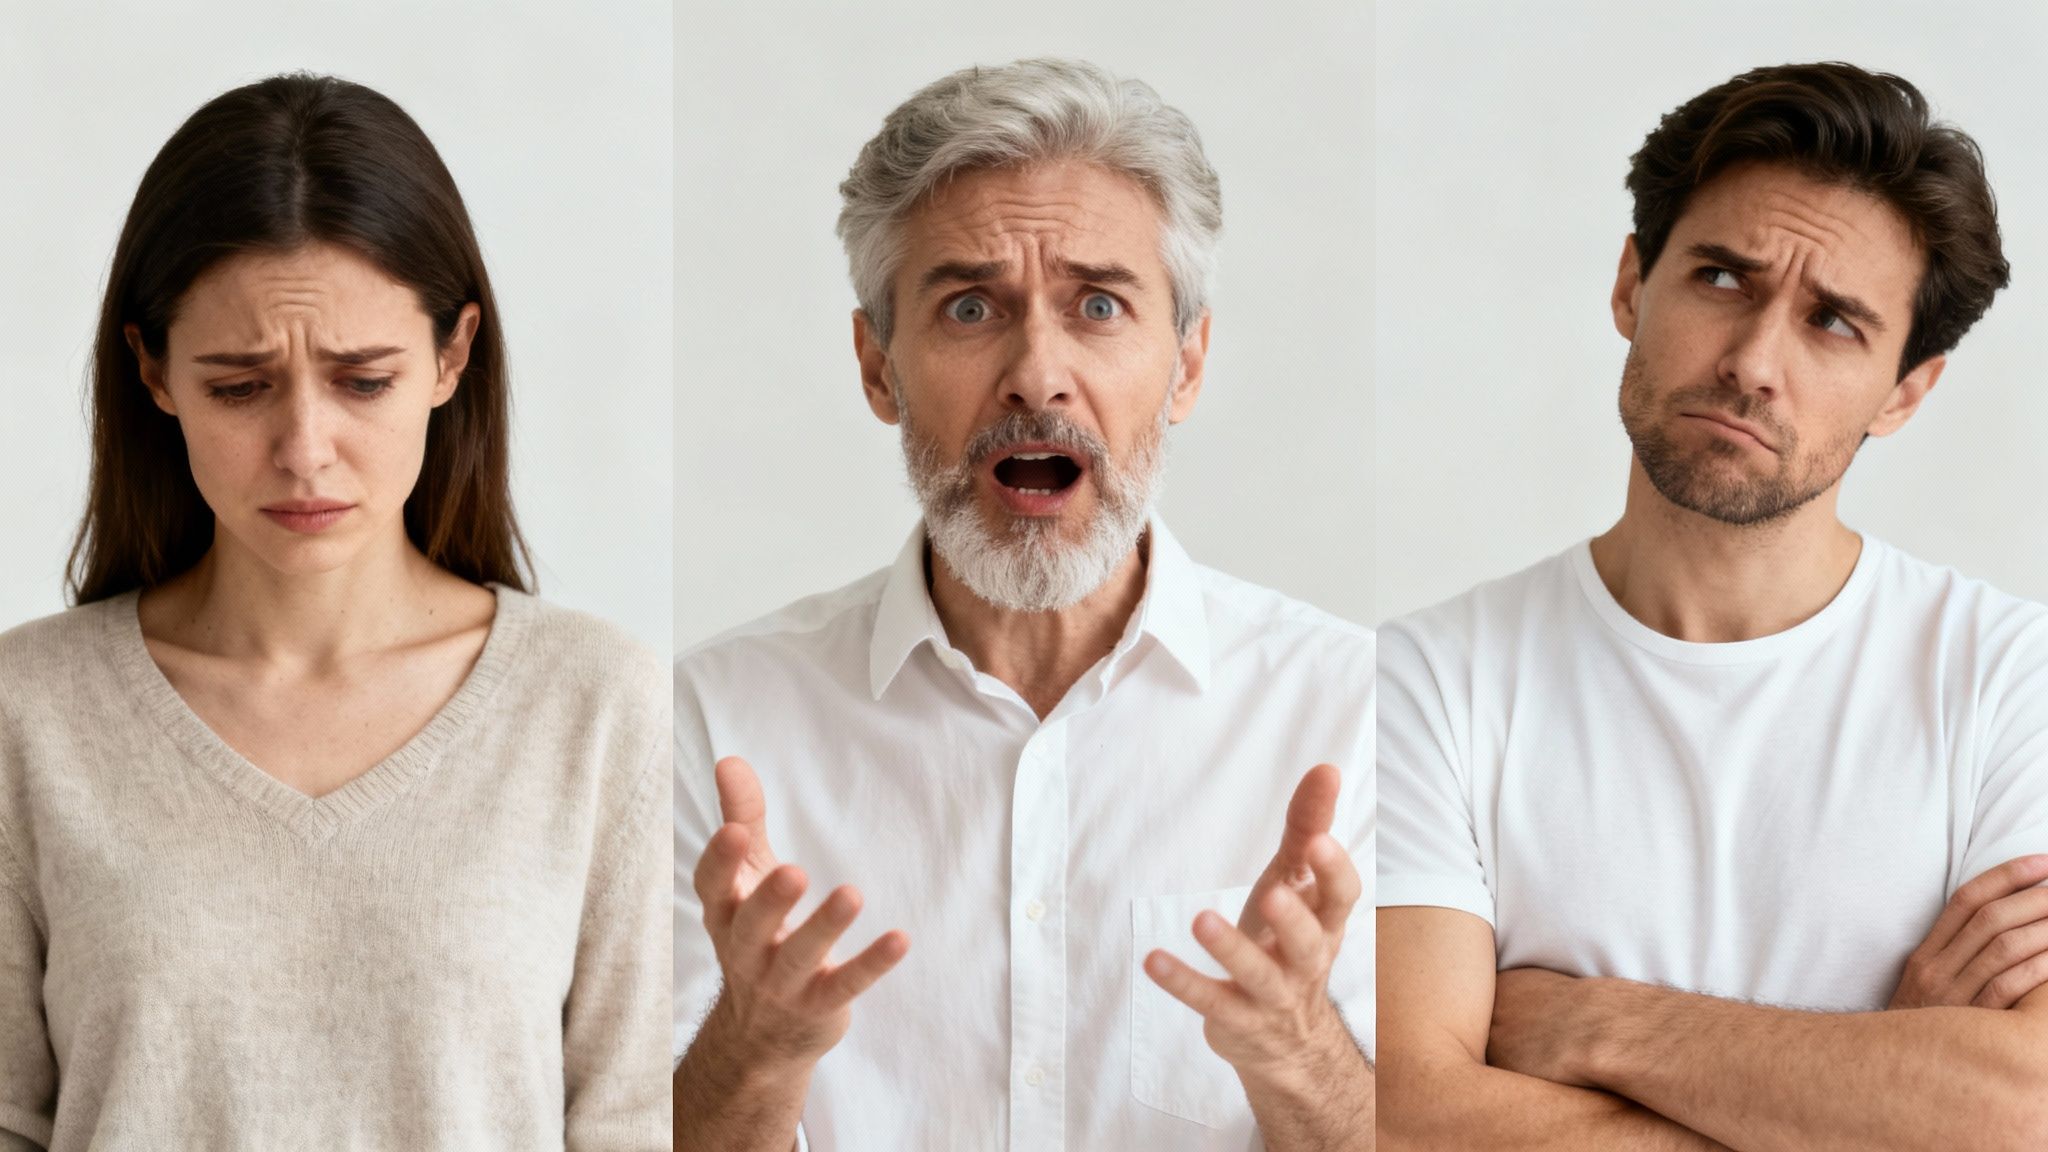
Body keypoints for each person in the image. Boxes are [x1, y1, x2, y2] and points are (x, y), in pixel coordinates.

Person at [672, 59, 1373, 1151]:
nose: (1035, 374)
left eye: (1098, 305)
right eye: (968, 307)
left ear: (1185, 362)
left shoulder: (1353, 712)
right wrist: (752, 1052)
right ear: (876, 367)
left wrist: (1297, 1051)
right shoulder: (712, 723)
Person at [1377, 61, 2048, 1150]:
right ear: (1629, 286)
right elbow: (1410, 1117)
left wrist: (1597, 1025)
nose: (1750, 363)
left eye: (1832, 323)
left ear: (1904, 392)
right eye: (1722, 280)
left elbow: (2024, 1110)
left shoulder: (2012, 682)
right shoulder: (1426, 681)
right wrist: (1875, 1091)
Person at [0, 74, 668, 1150]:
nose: (305, 449)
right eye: (238, 387)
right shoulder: (26, 713)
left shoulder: (590, 704)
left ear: (452, 357)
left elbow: (630, 1122)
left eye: (363, 381)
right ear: (152, 372)